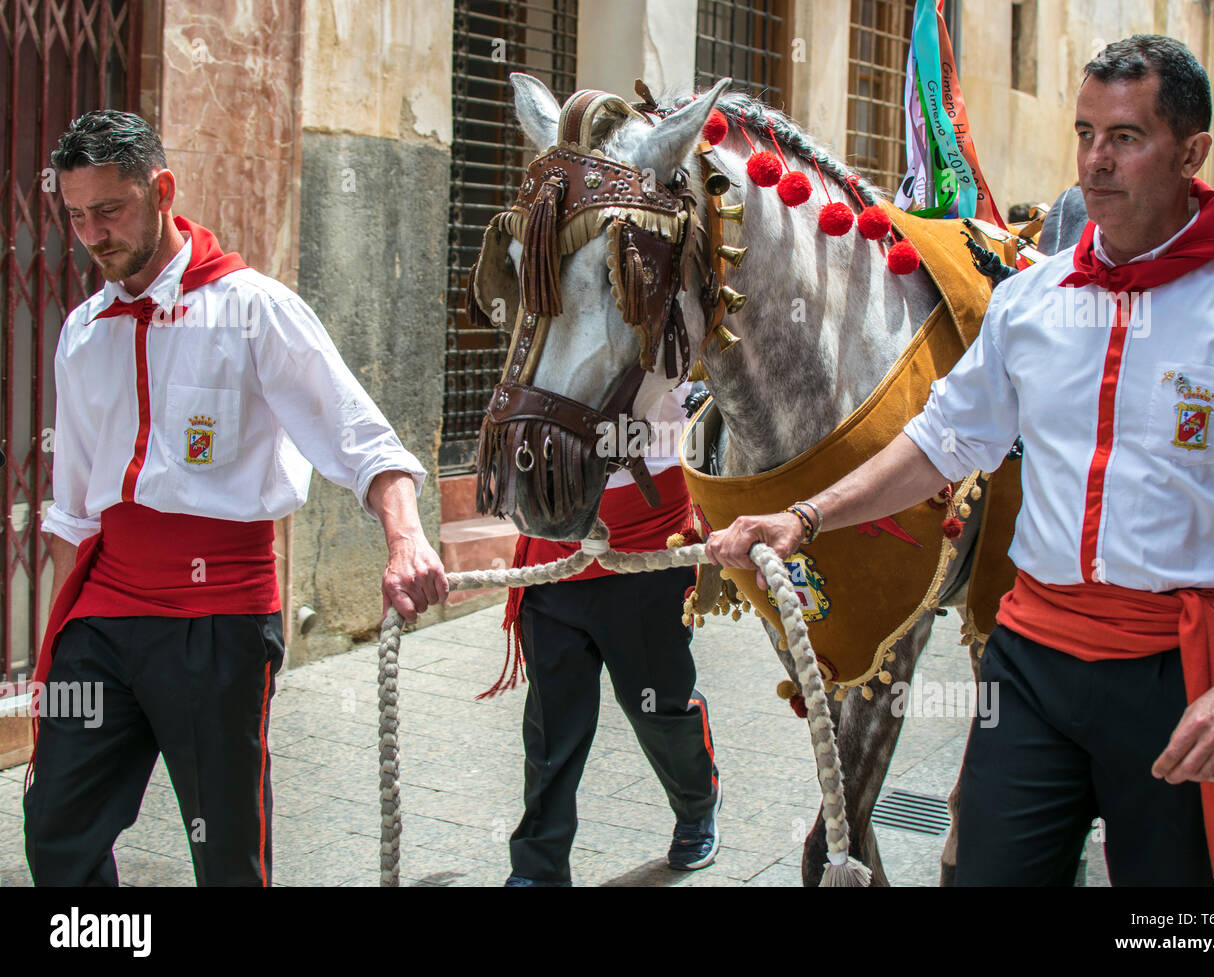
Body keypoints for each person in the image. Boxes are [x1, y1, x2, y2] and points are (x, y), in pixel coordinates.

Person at [706, 35, 1214, 886]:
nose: (1096, 160)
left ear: (1194, 152)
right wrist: (801, 516)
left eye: (1126, 137)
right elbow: (939, 443)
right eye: (1086, 132)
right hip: (1033, 662)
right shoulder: (1031, 302)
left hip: (1186, 673)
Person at [27, 110, 450, 886]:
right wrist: (59, 643)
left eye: (110, 210)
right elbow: (73, 511)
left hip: (216, 620)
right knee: (56, 833)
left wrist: (405, 538)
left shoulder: (256, 309)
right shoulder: (83, 331)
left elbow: (361, 438)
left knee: (225, 851)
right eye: (76, 214)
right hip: (103, 615)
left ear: (162, 189)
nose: (92, 234)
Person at [497, 386, 721, 885]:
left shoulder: (664, 318)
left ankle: (695, 802)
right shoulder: (544, 313)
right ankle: (539, 868)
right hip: (552, 551)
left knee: (655, 706)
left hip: (646, 550)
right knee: (552, 725)